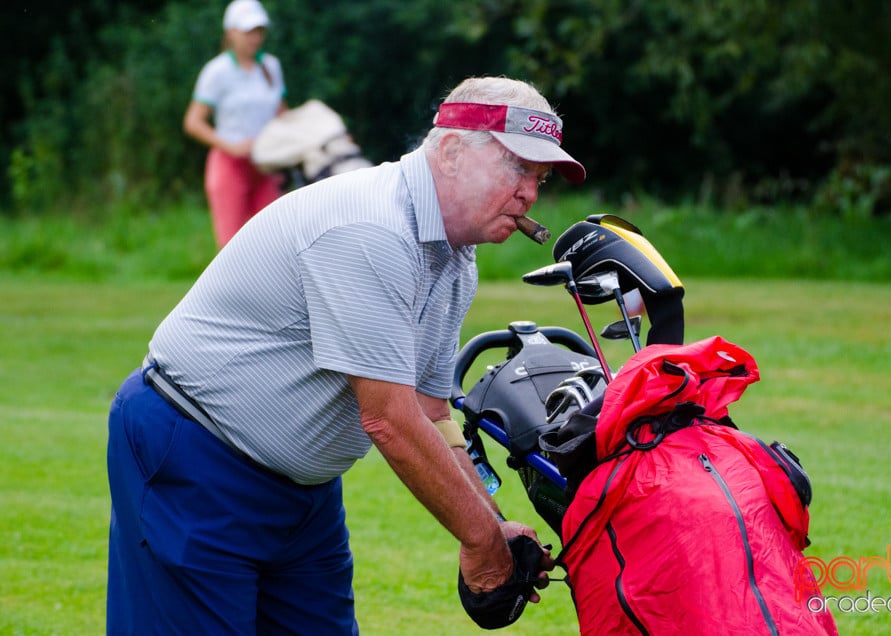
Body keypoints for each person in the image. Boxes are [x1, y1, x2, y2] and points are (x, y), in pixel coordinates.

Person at [106, 75, 587, 634]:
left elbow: (432, 413)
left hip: (304, 491)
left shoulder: (457, 260)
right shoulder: (371, 228)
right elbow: (388, 418)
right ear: (453, 152)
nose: (530, 192)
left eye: (540, 177)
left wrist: (493, 522)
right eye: (518, 168)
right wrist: (481, 543)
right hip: (194, 454)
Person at [183, 0, 287, 249]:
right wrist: (231, 146)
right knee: (232, 247)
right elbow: (193, 122)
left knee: (274, 241)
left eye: (259, 31)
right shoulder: (217, 71)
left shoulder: (270, 66)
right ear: (231, 32)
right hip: (230, 165)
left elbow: (282, 114)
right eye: (249, 31)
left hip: (267, 164)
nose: (256, 37)